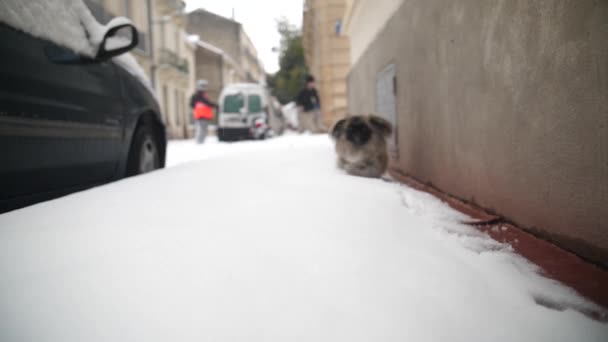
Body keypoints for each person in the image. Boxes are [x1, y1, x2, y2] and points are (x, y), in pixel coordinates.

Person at [190, 80, 218, 144]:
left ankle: (200, 142)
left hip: (201, 115)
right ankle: (199, 142)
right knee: (202, 130)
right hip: (202, 115)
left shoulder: (199, 95)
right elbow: (207, 103)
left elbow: (193, 105)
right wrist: (215, 105)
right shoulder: (199, 95)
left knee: (202, 129)